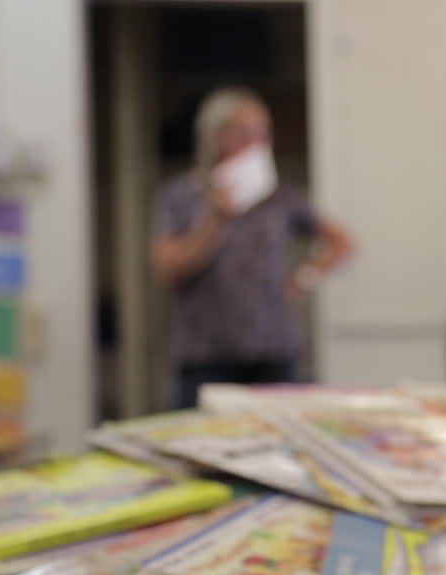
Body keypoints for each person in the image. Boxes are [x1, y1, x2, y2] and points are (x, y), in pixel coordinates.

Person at [151, 87, 352, 409]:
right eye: (245, 133)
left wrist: (304, 279)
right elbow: (169, 269)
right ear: (214, 137)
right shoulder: (181, 196)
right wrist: (215, 220)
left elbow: (342, 241)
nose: (257, 144)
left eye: (263, 134)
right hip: (206, 354)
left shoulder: (279, 196)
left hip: (275, 349)